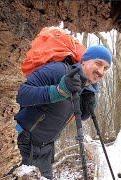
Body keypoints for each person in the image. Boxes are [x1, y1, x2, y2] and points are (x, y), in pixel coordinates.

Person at [14, 45, 112, 179]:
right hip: (21, 144)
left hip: (46, 152)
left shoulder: (86, 89)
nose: (101, 71)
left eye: (106, 68)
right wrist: (58, 91)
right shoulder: (58, 70)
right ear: (84, 60)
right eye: (98, 63)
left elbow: (81, 116)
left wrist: (90, 105)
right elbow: (17, 94)